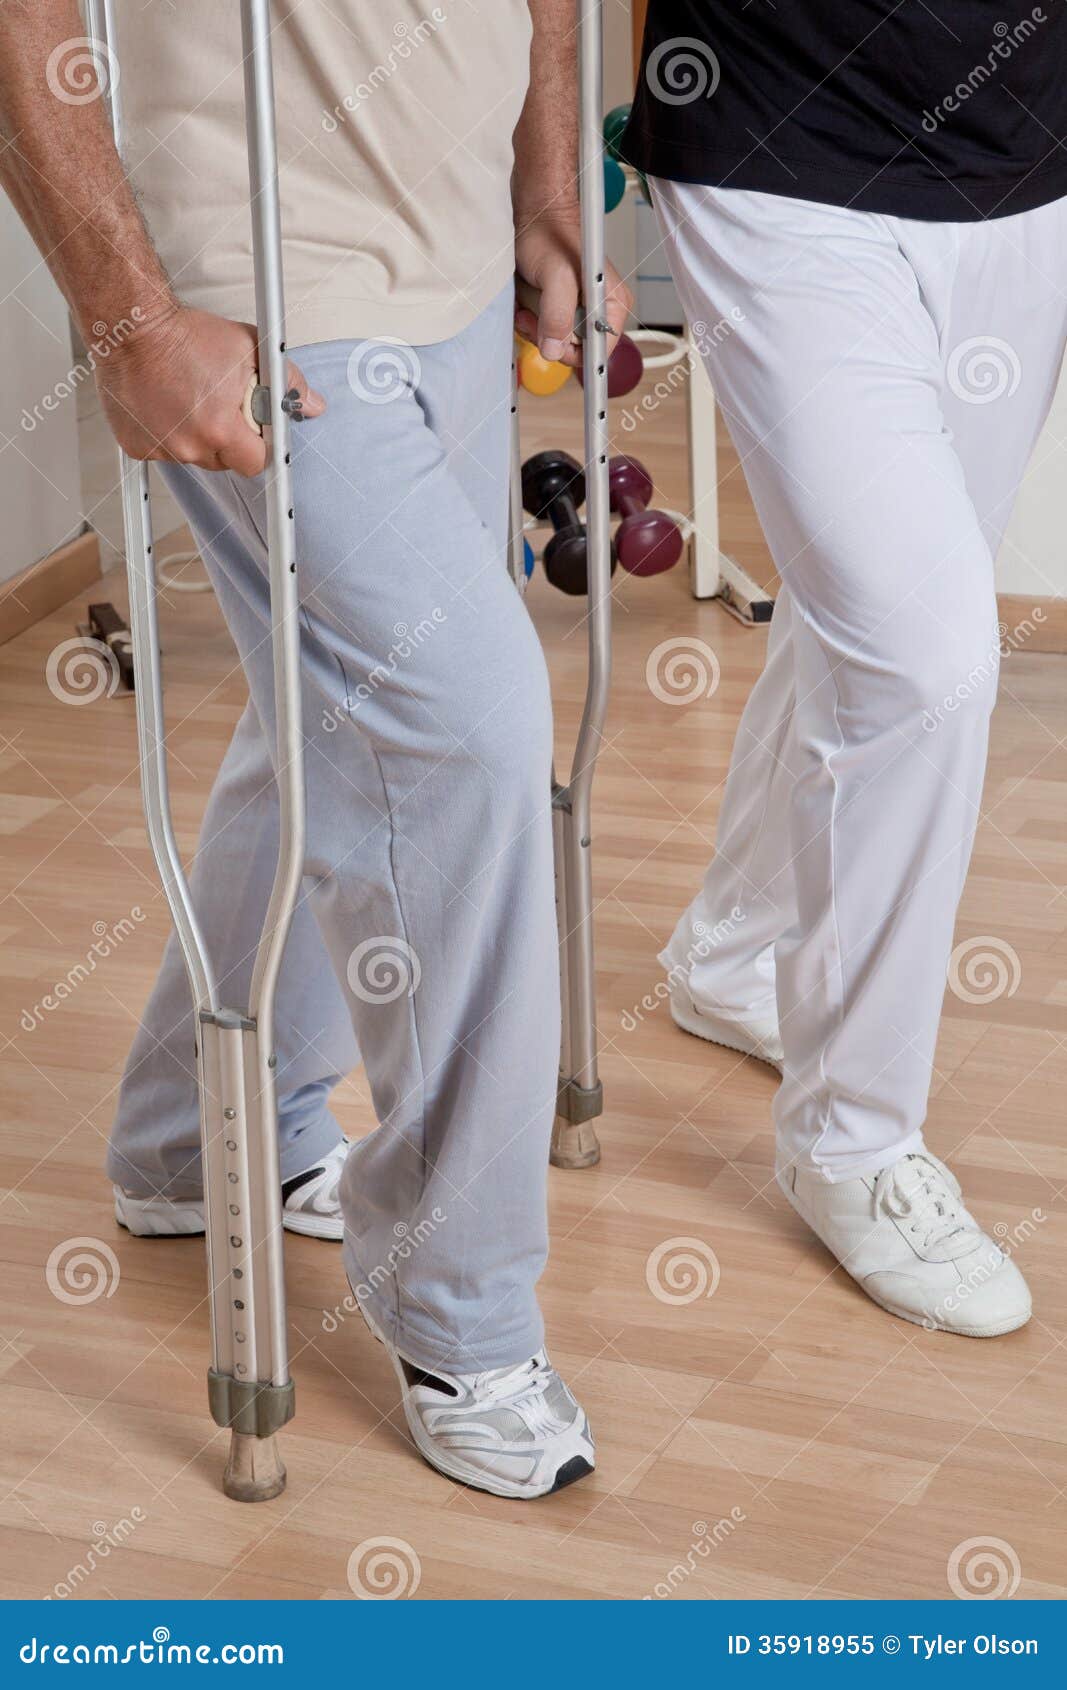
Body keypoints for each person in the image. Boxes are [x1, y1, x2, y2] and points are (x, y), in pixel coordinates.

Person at [0, 0, 627, 1499]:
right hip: (262, 277)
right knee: (466, 733)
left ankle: (181, 1140)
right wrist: (132, 318)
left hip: (460, 257)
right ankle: (458, 1305)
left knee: (337, 724)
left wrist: (549, 187)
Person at [620, 1, 1066, 1337]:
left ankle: (736, 949)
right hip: (778, 137)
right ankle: (853, 1139)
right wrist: (543, 172)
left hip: (1025, 159)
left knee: (871, 615)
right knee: (926, 661)